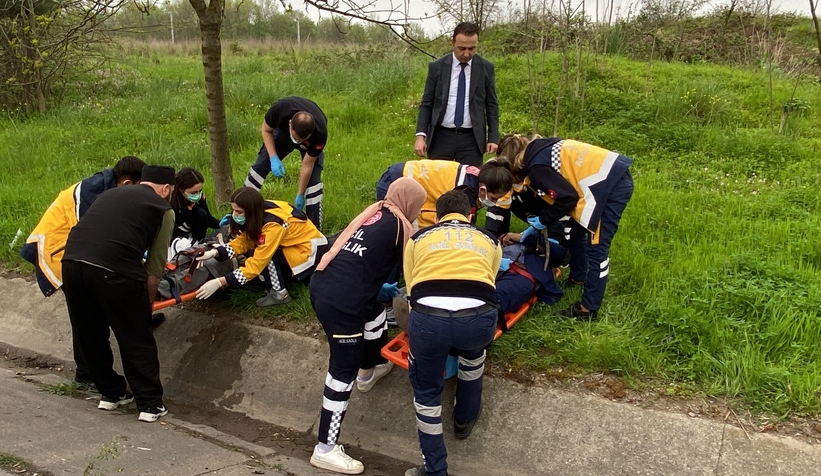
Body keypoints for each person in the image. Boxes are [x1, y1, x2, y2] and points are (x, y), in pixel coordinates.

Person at [307, 177, 427, 475]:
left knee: (374, 312)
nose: (418, 212)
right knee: (340, 372)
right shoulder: (400, 227)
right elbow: (415, 269)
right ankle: (325, 448)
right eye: (419, 207)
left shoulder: (376, 213)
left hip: (323, 285)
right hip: (342, 304)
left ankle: (369, 369)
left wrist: (378, 288)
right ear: (409, 203)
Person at [61, 165, 176, 423]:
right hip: (115, 271)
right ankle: (150, 404)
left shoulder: (109, 194)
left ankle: (111, 393)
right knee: (135, 336)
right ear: (166, 189)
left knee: (90, 333)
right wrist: (146, 303)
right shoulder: (163, 209)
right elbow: (155, 264)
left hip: (72, 265)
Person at [20, 156, 146, 391]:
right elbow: (92, 234)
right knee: (87, 316)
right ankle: (86, 375)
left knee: (93, 310)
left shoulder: (111, 188)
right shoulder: (90, 194)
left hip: (73, 248)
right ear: (127, 183)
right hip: (58, 252)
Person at [402, 191, 503, 476]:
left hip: (430, 319)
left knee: (426, 394)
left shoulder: (417, 239)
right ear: (471, 215)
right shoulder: (490, 239)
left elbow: (411, 290)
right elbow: (490, 280)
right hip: (478, 318)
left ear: (436, 218)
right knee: (473, 357)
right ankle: (465, 419)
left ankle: (435, 470)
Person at [498, 134, 634, 321]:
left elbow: (567, 198)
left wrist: (541, 221)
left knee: (597, 248)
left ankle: (587, 309)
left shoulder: (536, 167)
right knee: (575, 233)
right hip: (604, 180)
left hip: (610, 186)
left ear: (513, 165)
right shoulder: (539, 150)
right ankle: (578, 277)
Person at [194, 187, 328, 307]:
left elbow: (258, 263)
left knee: (265, 256)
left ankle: (280, 294)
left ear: (250, 211)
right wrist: (215, 253)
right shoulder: (259, 209)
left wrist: (220, 282)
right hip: (301, 246)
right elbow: (244, 241)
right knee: (257, 252)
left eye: (238, 212)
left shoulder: (273, 225)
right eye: (233, 210)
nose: (234, 215)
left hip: (308, 254)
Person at [414, 22, 499, 167]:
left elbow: (491, 105)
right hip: (441, 137)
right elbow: (427, 103)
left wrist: (493, 137)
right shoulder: (437, 67)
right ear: (452, 42)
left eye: (471, 49)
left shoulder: (486, 68)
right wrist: (420, 136)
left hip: (472, 139)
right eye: (462, 48)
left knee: (470, 180)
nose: (466, 54)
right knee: (438, 180)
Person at [244, 96, 327, 229]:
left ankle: (314, 230)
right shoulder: (280, 110)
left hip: (309, 143)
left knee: (313, 184)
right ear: (289, 123)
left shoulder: (320, 134)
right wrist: (273, 158)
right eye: (295, 138)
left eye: (301, 140)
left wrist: (300, 194)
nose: (297, 142)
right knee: (259, 168)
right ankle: (241, 213)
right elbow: (266, 130)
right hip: (283, 135)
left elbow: (307, 165)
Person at [375, 158, 514, 230]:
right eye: (494, 198)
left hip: (402, 174)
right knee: (396, 230)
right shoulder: (465, 192)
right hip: (396, 183)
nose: (494, 203)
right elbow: (456, 224)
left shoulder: (478, 178)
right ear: (483, 190)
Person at [170, 167, 221, 242]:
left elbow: (208, 219)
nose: (197, 195)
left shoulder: (199, 198)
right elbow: (170, 229)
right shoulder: (172, 201)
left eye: (200, 191)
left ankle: (199, 242)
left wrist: (222, 223)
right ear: (181, 189)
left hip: (186, 226)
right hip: (173, 231)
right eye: (193, 192)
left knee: (201, 214)